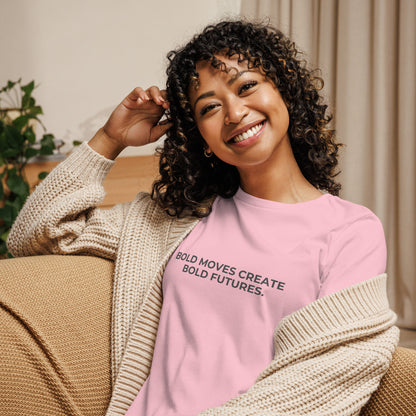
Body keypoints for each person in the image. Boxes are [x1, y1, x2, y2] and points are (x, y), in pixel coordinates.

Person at [6, 20, 398, 416]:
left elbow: (327, 374)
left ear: (285, 90)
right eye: (209, 107)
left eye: (246, 87)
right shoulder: (176, 220)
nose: (234, 112)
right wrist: (110, 139)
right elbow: (37, 235)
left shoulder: (350, 231)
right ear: (201, 137)